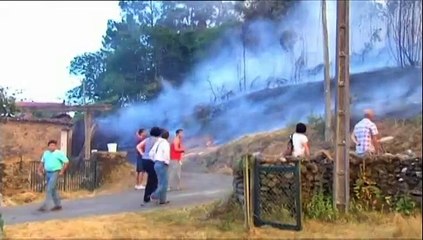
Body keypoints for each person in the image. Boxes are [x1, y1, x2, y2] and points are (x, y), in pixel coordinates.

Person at [37, 140, 69, 212]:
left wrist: (62, 171)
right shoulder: (46, 153)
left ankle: (45, 206)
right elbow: (42, 162)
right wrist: (39, 170)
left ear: (56, 146)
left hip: (55, 172)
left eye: (53, 145)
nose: (52, 147)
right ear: (48, 146)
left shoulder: (59, 153)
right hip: (47, 173)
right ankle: (58, 205)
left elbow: (66, 162)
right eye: (51, 145)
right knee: (53, 189)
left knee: (49, 188)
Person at [137, 127, 161, 205]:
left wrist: (142, 154)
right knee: (154, 180)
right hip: (152, 161)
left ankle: (147, 197)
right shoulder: (158, 140)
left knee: (151, 179)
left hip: (145, 160)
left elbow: (138, 146)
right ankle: (153, 196)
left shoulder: (147, 139)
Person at [150, 129, 171, 205]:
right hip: (162, 163)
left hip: (156, 163)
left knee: (160, 182)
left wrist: (154, 160)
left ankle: (162, 200)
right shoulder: (165, 143)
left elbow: (151, 153)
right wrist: (167, 162)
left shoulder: (157, 143)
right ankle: (154, 195)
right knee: (164, 183)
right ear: (167, 136)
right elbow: (166, 154)